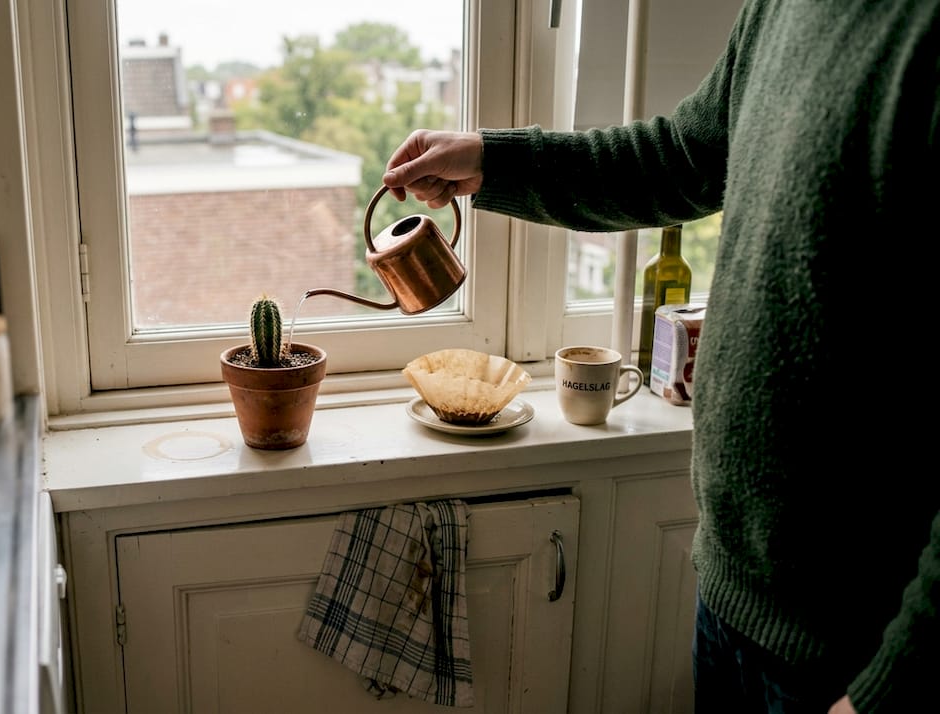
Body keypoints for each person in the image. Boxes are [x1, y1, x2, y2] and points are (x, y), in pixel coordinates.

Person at [380, 1, 938, 713]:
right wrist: (491, 160)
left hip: (859, 654)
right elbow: (682, 157)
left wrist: (889, 694)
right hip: (733, 595)